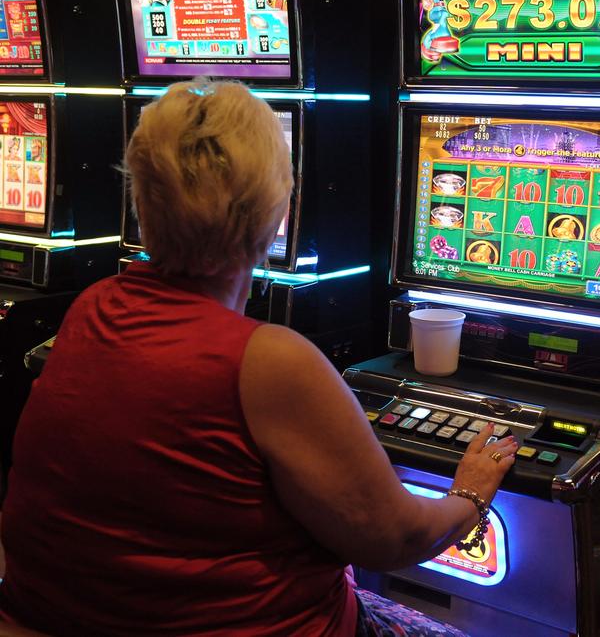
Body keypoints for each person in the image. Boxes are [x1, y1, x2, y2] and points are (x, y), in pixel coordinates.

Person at [0, 80, 516, 636]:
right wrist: (470, 492)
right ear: (276, 214)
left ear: (142, 201)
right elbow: (398, 538)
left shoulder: (91, 309)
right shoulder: (267, 361)